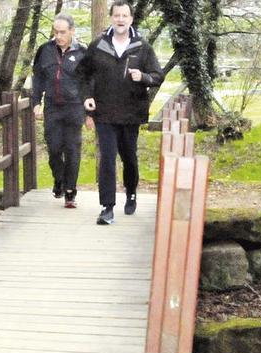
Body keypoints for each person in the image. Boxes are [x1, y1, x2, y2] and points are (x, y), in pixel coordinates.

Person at [77, 0, 163, 225]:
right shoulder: (98, 45)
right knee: (107, 158)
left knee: (129, 158)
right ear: (111, 18)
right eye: (117, 16)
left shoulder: (142, 47)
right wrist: (87, 97)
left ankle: (131, 191)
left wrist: (143, 77)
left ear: (131, 19)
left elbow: (157, 75)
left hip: (131, 113)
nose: (121, 20)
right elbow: (83, 75)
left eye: (125, 16)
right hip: (104, 113)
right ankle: (107, 207)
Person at [31, 13, 91, 208]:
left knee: (72, 150)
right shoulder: (45, 50)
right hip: (52, 108)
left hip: (74, 108)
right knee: (54, 149)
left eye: (62, 32)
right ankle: (59, 179)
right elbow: (38, 77)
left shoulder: (83, 52)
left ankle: (70, 191)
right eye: (55, 32)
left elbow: (90, 83)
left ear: (72, 31)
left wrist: (90, 113)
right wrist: (35, 102)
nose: (58, 36)